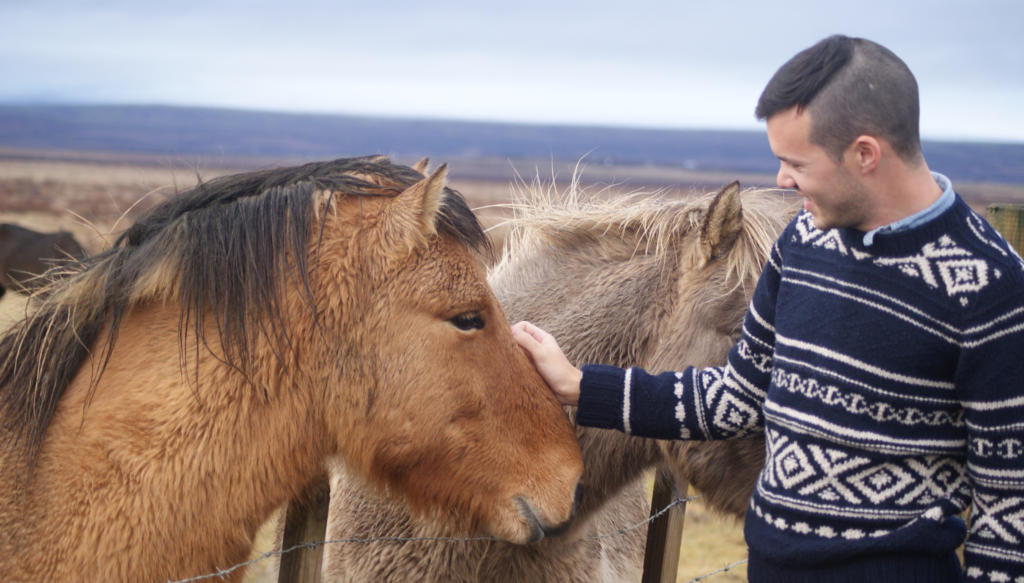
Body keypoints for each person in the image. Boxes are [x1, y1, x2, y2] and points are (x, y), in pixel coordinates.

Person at [512, 35, 1024, 583]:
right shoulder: (803, 242)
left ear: (865, 154)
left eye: (795, 162)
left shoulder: (991, 289)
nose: (781, 180)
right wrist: (583, 387)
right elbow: (736, 398)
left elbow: (1009, 504)